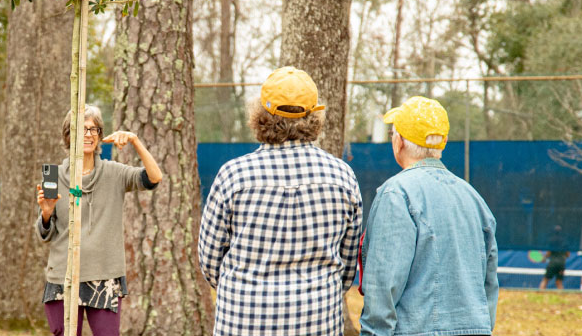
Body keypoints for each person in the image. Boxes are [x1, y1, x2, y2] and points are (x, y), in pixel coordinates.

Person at [199, 67, 365, 336]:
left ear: (261, 115)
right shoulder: (342, 176)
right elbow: (347, 267)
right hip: (317, 322)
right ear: (314, 116)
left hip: (243, 322)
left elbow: (210, 262)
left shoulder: (233, 175)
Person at [358, 96, 497, 336]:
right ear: (442, 143)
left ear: (398, 141)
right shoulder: (474, 198)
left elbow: (383, 286)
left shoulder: (396, 194)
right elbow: (489, 283)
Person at [35, 105, 164, 336]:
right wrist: (46, 212)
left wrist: (135, 141)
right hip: (63, 279)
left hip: (104, 276)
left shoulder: (114, 173)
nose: (88, 134)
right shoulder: (54, 176)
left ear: (100, 135)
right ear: (68, 135)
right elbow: (46, 234)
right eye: (81, 129)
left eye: (93, 129)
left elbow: (154, 178)